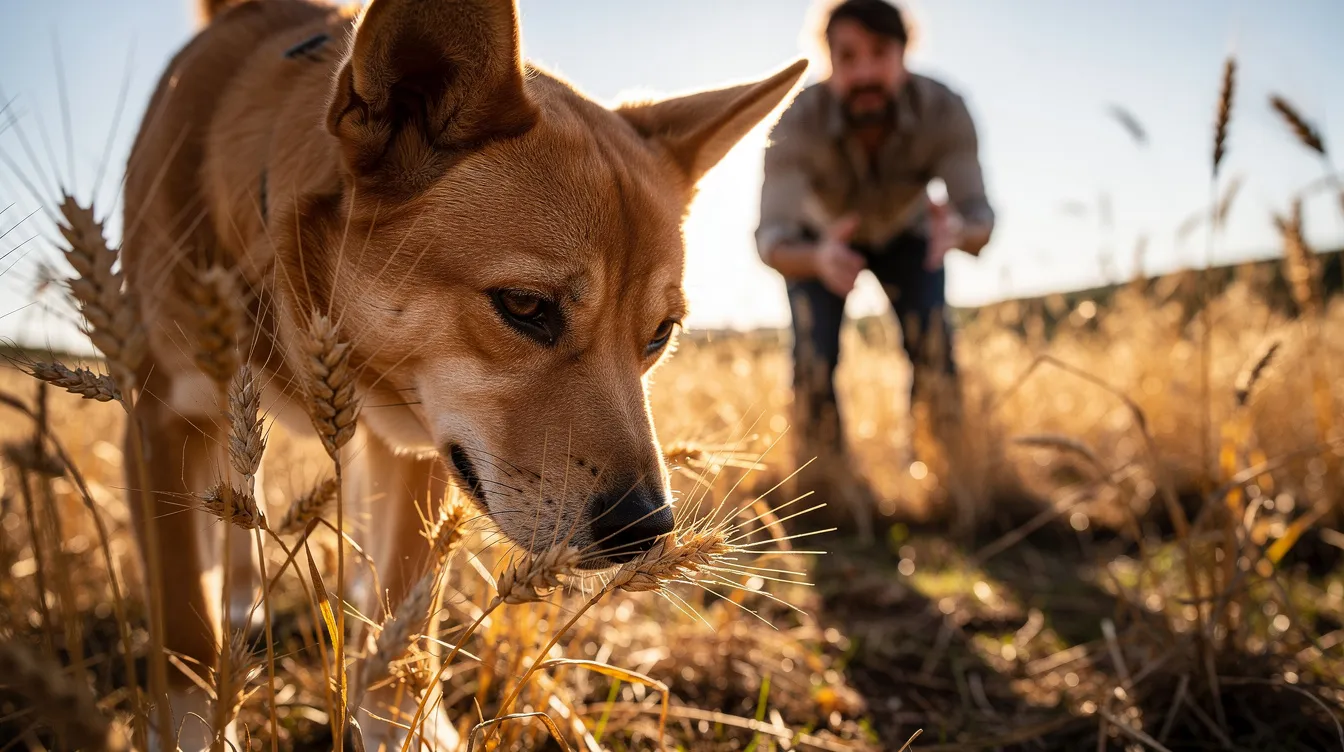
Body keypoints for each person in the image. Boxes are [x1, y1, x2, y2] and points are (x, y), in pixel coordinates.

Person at [756, 0, 994, 529]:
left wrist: (956, 231)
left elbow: (980, 217)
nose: (864, 71)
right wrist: (816, 257)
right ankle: (824, 496)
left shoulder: (944, 109)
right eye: (847, 56)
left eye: (879, 53)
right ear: (828, 60)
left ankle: (947, 483)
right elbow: (770, 239)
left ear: (905, 53)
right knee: (813, 359)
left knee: (933, 349)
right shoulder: (797, 119)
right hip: (820, 243)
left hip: (913, 235)